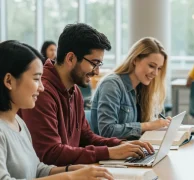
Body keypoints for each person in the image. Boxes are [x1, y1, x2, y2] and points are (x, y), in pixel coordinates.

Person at [18, 23, 154, 166]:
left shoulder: (74, 90)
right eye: (94, 63)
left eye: (99, 65)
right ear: (70, 58)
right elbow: (50, 154)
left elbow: (86, 137)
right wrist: (109, 152)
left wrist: (121, 144)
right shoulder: (41, 92)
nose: (96, 72)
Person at [0, 40, 114, 179]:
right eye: (36, 79)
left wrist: (72, 170)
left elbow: (38, 169)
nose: (41, 87)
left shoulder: (18, 122)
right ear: (9, 81)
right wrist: (71, 177)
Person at [91, 37, 171, 139]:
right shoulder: (112, 84)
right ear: (135, 60)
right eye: (151, 66)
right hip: (110, 152)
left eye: (159, 68)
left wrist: (160, 125)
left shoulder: (141, 87)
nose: (155, 73)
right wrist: (148, 125)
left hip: (131, 149)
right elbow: (107, 131)